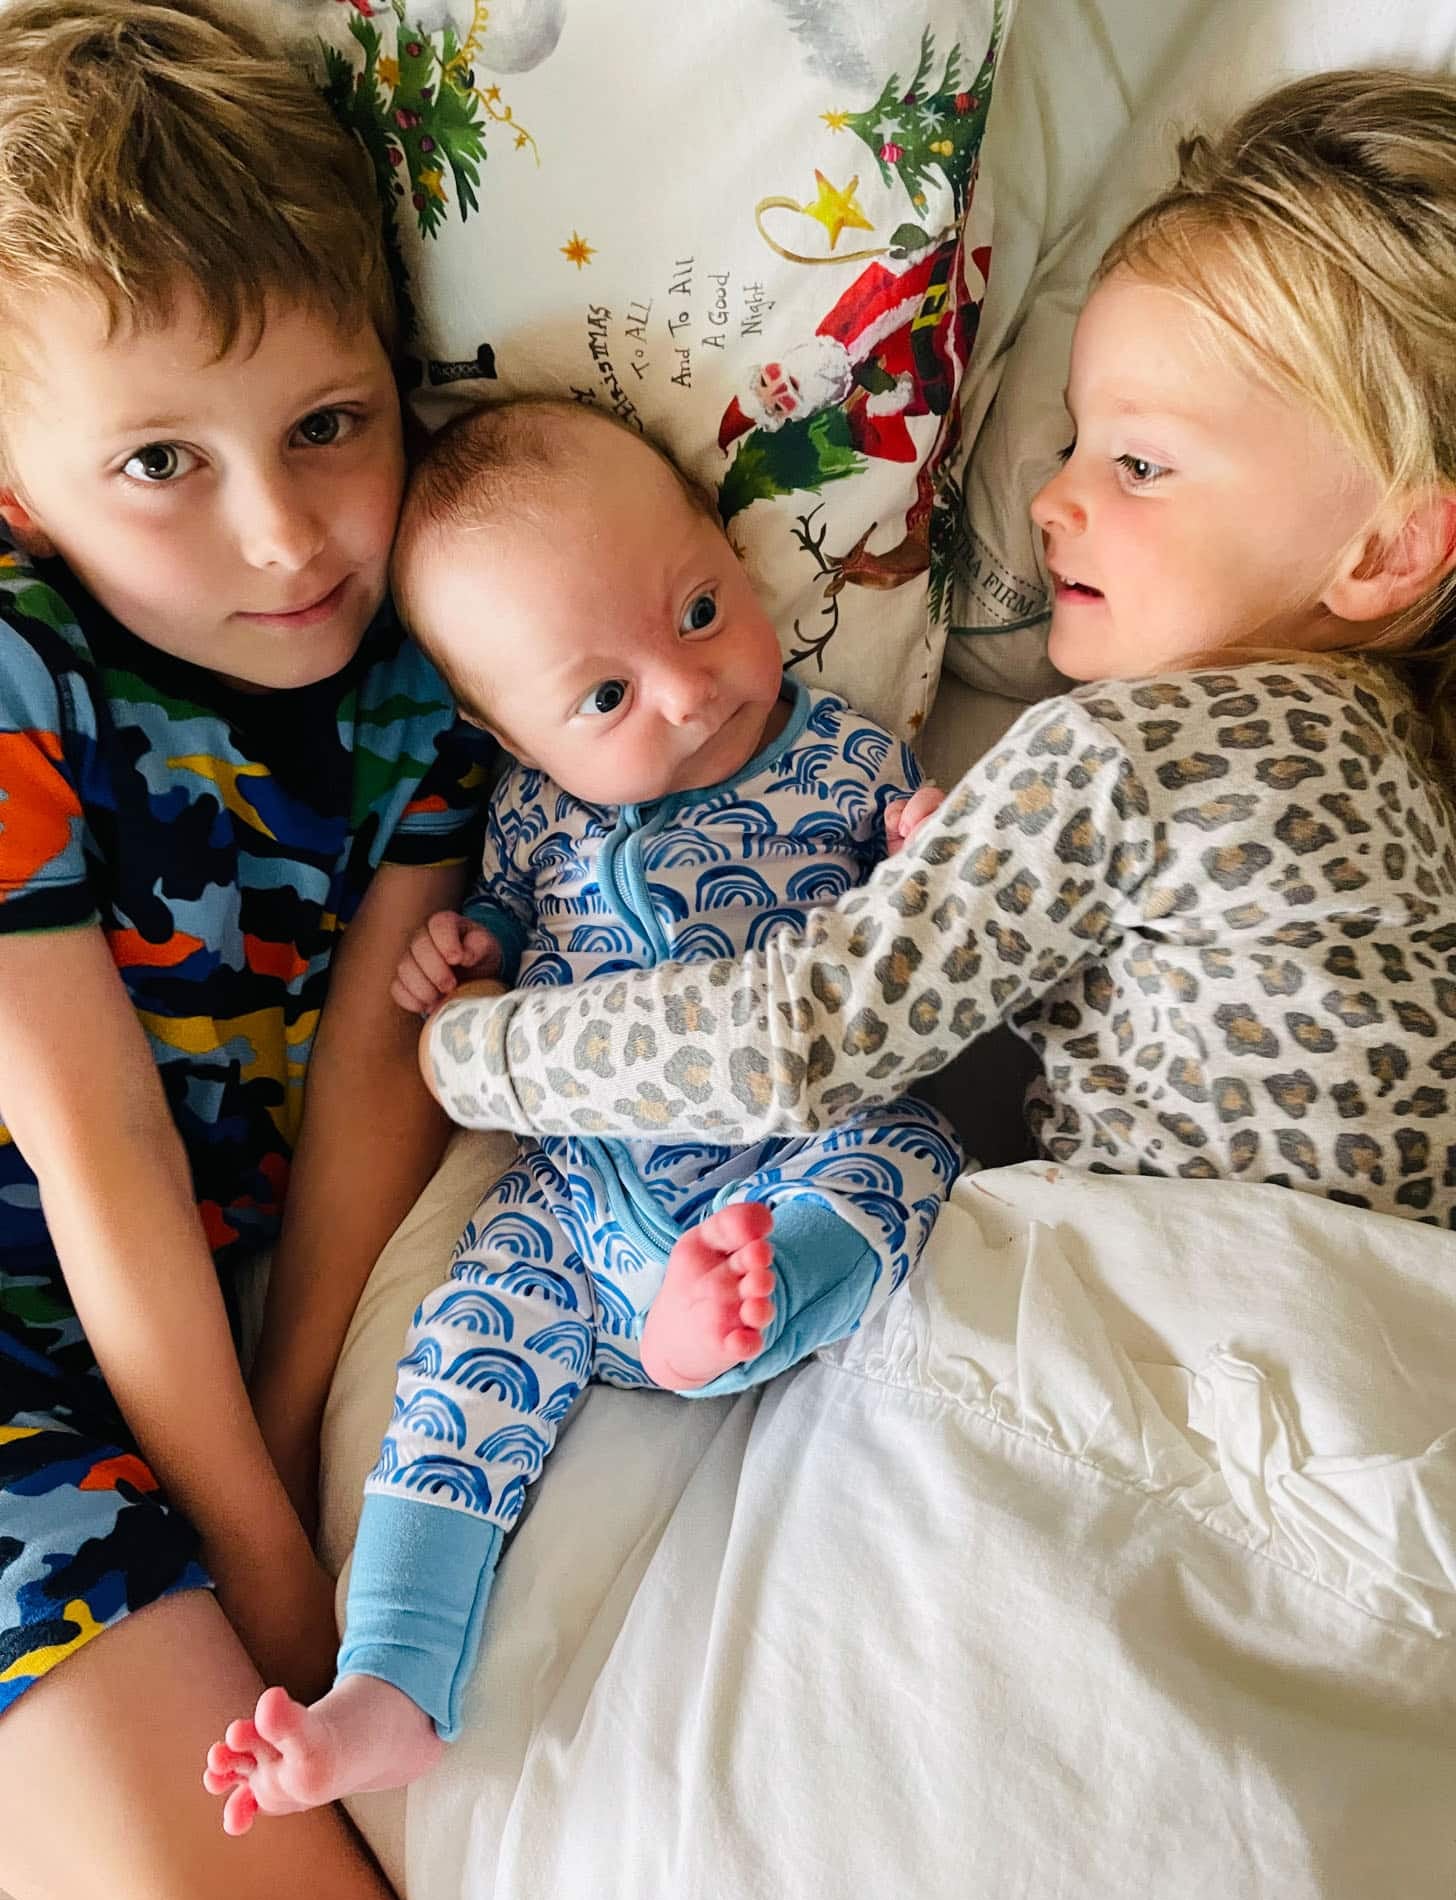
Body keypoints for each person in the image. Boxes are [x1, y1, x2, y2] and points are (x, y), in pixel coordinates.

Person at [409, 73, 1456, 1223]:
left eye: (1139, 464)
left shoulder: (1116, 757)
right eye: (1073, 440)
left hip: (1171, 1290)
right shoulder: (1409, 776)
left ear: (1386, 550)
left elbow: (805, 1038)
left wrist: (478, 1056)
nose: (1050, 500)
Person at [204, 397, 964, 1827]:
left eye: (699, 610)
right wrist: (463, 954)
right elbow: (501, 922)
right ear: (510, 733)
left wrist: (934, 851)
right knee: (459, 1363)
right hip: (578, 1200)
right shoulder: (529, 814)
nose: (685, 689)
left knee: (905, 1158)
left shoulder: (841, 756)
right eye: (602, 698)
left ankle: (750, 1309)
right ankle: (390, 1683)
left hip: (787, 1146)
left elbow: (933, 919)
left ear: (728, 557)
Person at [0, 3, 491, 1900]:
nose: (285, 536)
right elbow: (96, 1136)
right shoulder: (18, 672)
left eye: (328, 425)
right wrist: (267, 1566)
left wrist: (287, 1442)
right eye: (160, 461)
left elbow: (380, 1064)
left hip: (158, 1370)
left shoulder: (419, 681)